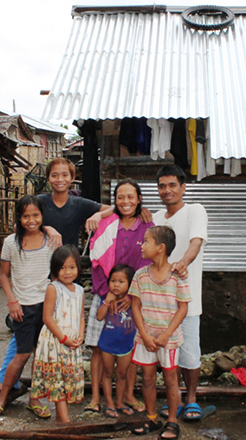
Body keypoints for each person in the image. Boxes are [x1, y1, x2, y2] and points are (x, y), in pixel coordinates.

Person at [0, 158, 110, 406]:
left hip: (63, 277)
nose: (60, 179)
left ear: (72, 176)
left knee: (47, 341)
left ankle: (45, 393)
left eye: (65, 175)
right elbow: (26, 221)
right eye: (55, 175)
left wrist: (97, 214)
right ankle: (4, 382)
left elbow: (113, 208)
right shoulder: (41, 202)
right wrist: (47, 227)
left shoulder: (79, 203)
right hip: (37, 282)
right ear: (48, 178)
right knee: (23, 342)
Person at [85, 178, 154, 413]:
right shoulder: (106, 224)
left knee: (130, 348)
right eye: (120, 197)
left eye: (131, 197)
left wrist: (133, 296)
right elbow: (96, 260)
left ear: (139, 199)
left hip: (134, 298)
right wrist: (108, 295)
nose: (126, 201)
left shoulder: (146, 225)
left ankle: (127, 397)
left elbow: (148, 263)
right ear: (115, 200)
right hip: (106, 294)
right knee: (97, 347)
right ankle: (95, 398)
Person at [0, 196, 54, 417]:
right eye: (25, 216)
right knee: (22, 354)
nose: (31, 220)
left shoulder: (50, 241)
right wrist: (12, 301)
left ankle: (35, 400)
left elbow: (55, 275)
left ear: (42, 216)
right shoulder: (11, 242)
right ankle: (3, 397)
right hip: (23, 307)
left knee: (41, 356)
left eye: (35, 215)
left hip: (46, 307)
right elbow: (4, 275)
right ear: (19, 218)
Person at [153, 164, 208, 421]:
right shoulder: (155, 218)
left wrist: (183, 263)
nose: (167, 190)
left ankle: (192, 398)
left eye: (172, 185)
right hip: (159, 302)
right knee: (166, 354)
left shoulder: (195, 211)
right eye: (162, 186)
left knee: (190, 352)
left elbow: (196, 242)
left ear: (183, 187)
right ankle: (173, 399)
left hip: (187, 299)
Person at [130, 225, 191, 439]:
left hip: (169, 340)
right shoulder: (140, 275)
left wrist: (166, 335)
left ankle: (172, 422)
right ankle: (151, 417)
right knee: (147, 379)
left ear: (161, 248)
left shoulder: (177, 276)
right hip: (145, 338)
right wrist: (145, 335)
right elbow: (135, 306)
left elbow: (183, 307)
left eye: (146, 241)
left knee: (170, 380)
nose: (142, 245)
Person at [31, 245, 85, 423]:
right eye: (62, 268)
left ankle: (60, 422)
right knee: (58, 381)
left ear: (78, 267)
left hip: (72, 342)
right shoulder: (53, 288)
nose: (67, 272)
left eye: (71, 267)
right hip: (55, 341)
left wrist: (80, 335)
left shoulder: (79, 290)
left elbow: (80, 315)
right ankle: (66, 421)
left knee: (67, 378)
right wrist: (63, 338)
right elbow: (47, 318)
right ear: (55, 269)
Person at [96, 264, 137, 418]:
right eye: (113, 281)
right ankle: (109, 403)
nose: (116, 285)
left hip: (125, 345)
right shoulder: (106, 299)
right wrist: (107, 301)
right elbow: (99, 317)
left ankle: (119, 401)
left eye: (121, 282)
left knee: (122, 374)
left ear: (129, 284)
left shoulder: (133, 301)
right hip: (107, 344)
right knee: (107, 373)